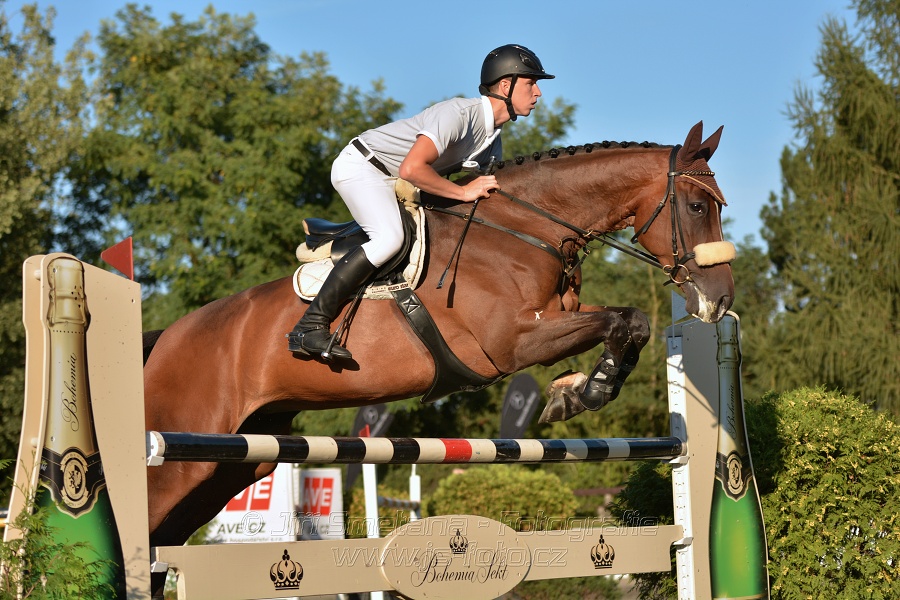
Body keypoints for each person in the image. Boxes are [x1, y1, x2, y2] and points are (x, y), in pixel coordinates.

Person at [287, 44, 554, 359]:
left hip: (397, 182)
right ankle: (309, 326)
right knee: (389, 239)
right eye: (530, 83)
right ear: (506, 86)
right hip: (364, 167)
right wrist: (463, 192)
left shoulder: (492, 138)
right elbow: (412, 169)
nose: (538, 93)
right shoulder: (458, 114)